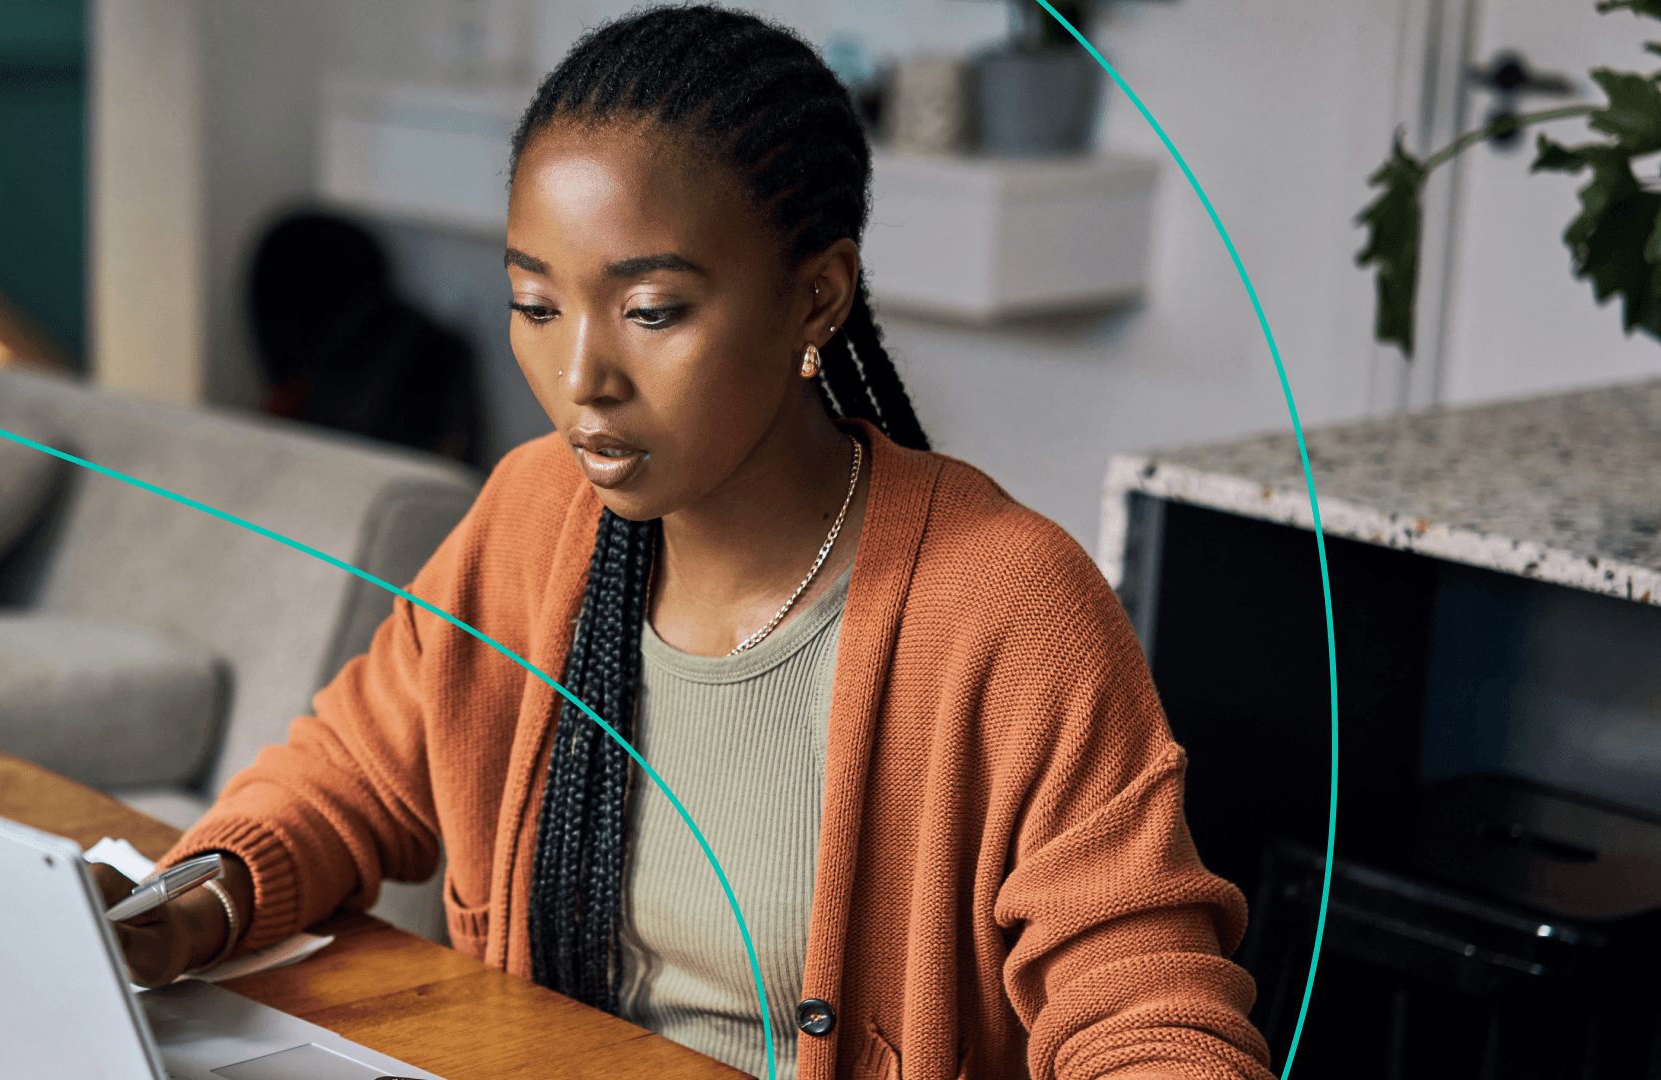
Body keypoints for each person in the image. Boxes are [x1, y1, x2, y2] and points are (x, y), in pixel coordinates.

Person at [91, 8, 1274, 1079]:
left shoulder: (1008, 604)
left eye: (652, 312)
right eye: (535, 306)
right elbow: (351, 770)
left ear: (817, 297)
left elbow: (1143, 998)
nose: (579, 381)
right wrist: (192, 902)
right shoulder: (531, 512)